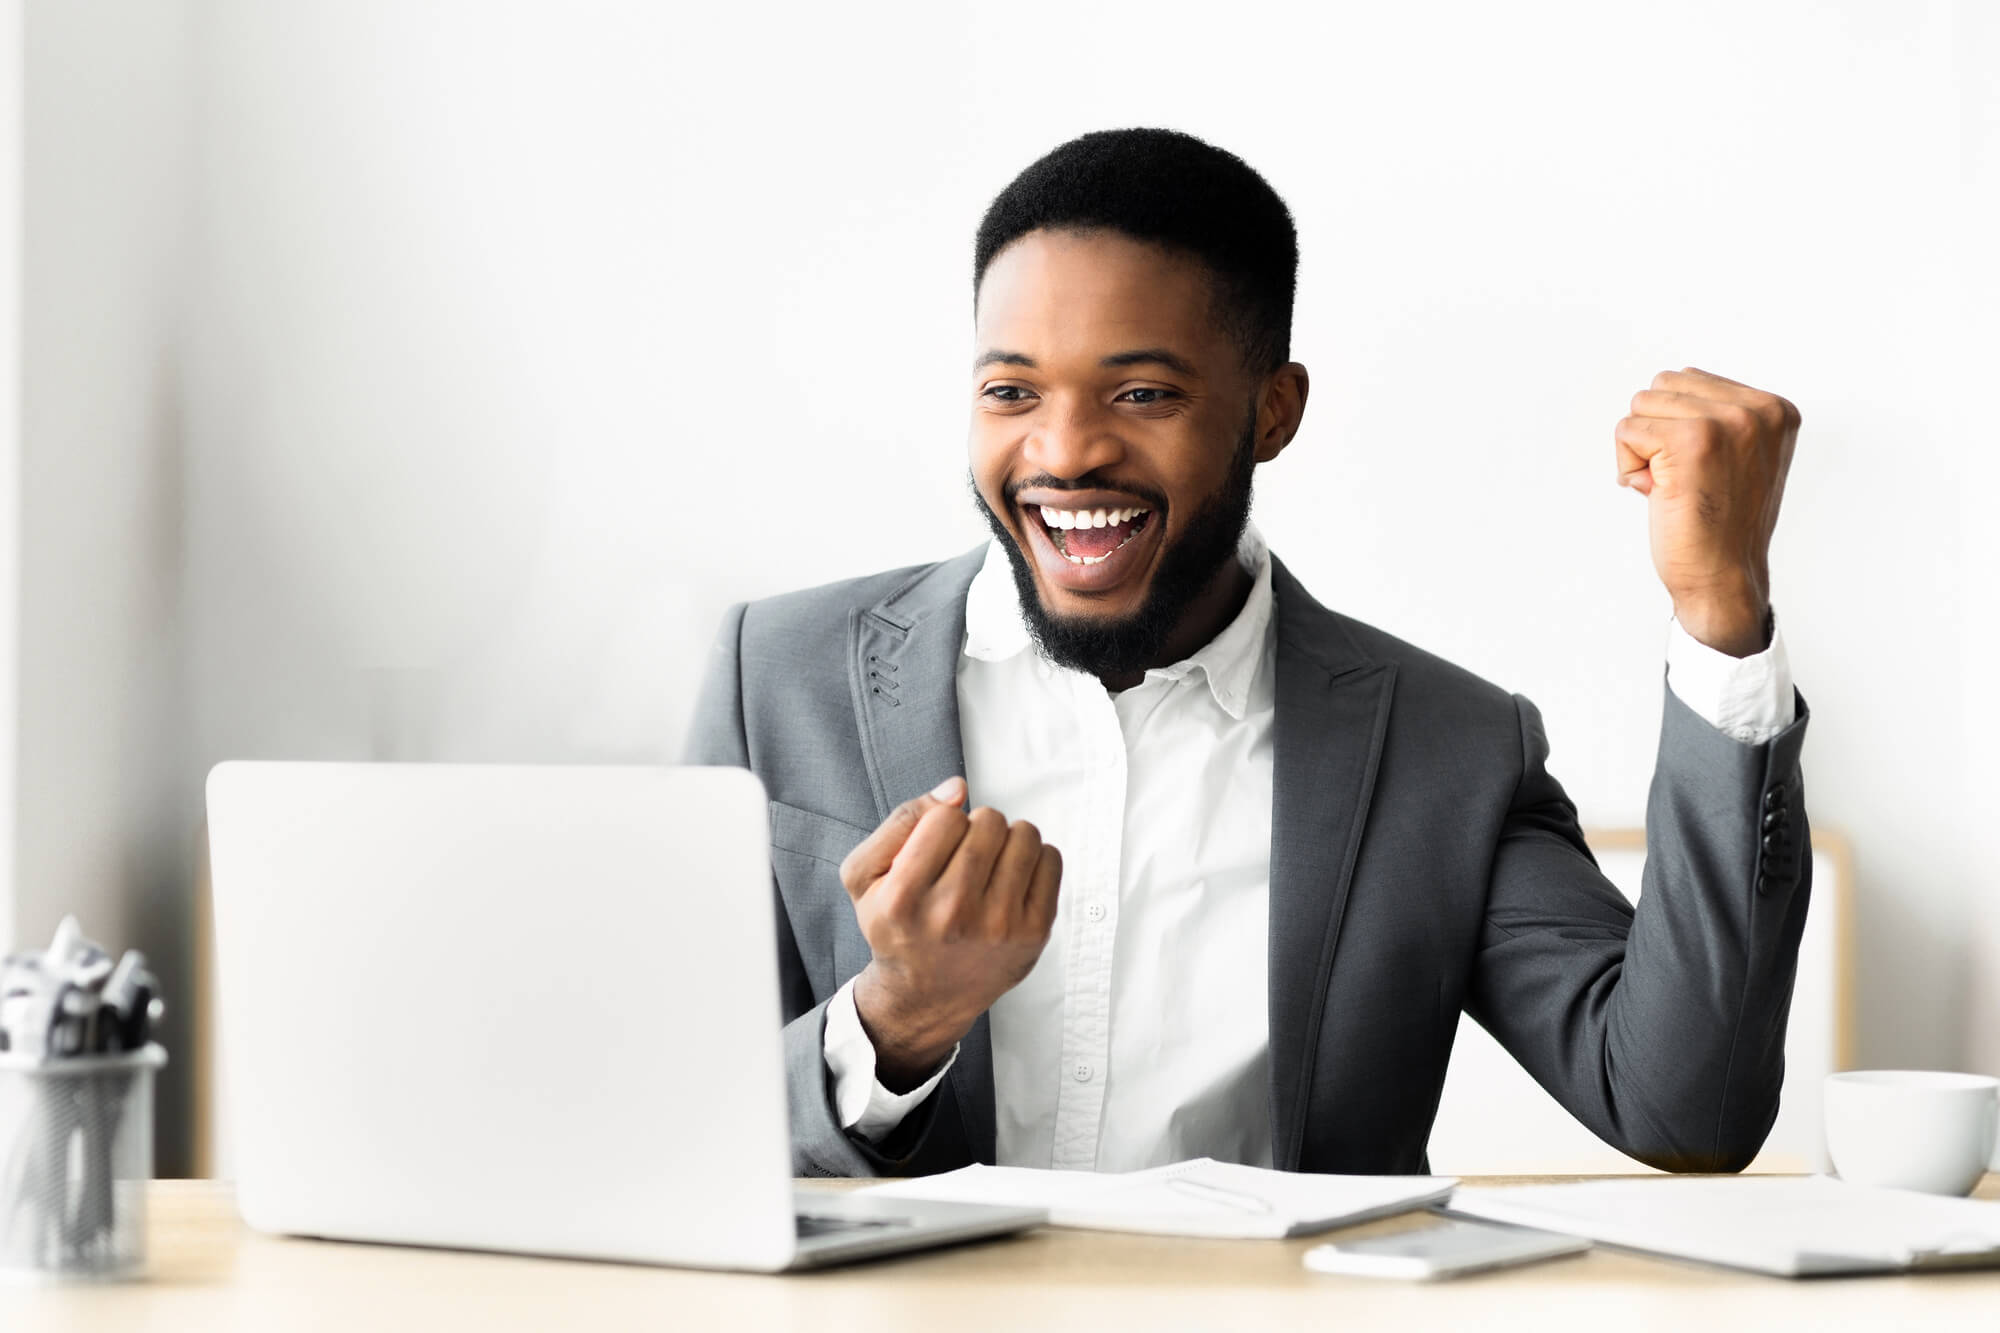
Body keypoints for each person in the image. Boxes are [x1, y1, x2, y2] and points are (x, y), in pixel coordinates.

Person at [684, 128, 1808, 1179]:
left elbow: (1683, 1107)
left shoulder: (1443, 748)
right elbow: (648, 1113)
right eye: (1011, 390)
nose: (1064, 449)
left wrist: (1719, 609)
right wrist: (895, 1021)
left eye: (1142, 393)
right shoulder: (775, 677)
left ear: (1271, 413)